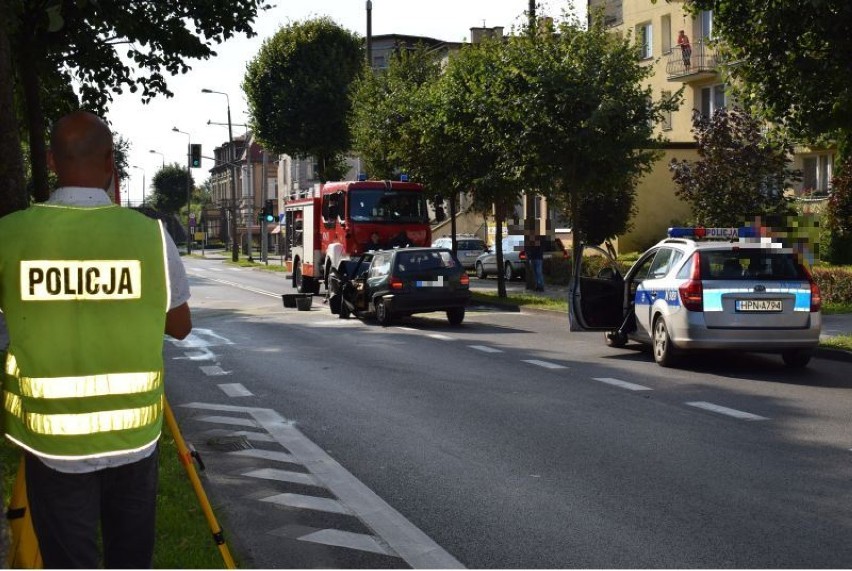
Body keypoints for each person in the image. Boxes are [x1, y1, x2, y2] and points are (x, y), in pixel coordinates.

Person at [0, 110, 192, 568]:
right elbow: (180, 325)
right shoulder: (149, 235)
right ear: (111, 162)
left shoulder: (9, 236)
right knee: (130, 557)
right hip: (133, 438)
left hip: (52, 442)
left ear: (50, 161)